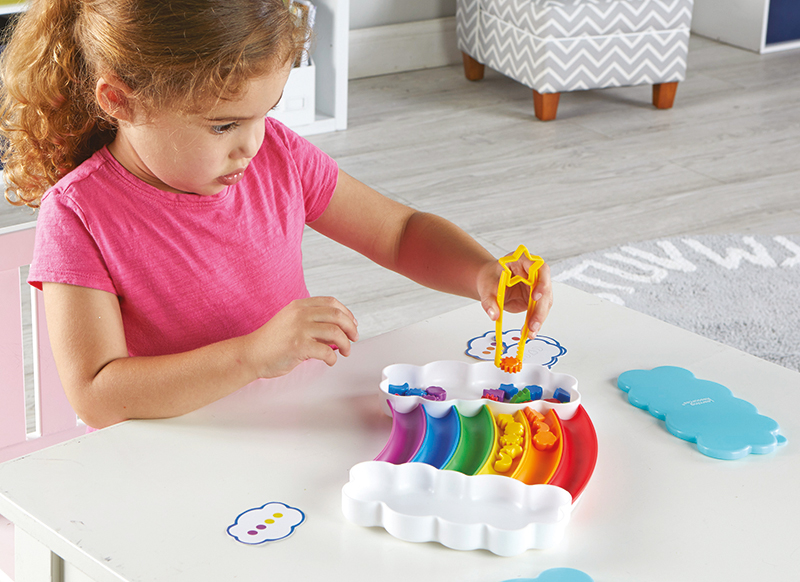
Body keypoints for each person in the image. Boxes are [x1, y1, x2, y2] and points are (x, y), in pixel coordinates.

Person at [0, 0, 553, 429]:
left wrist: (481, 272)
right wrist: (253, 355)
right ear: (121, 101)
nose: (251, 144)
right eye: (223, 125)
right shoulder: (79, 215)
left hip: (289, 425)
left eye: (266, 112)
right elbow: (98, 395)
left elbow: (399, 232)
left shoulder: (276, 156)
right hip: (174, 454)